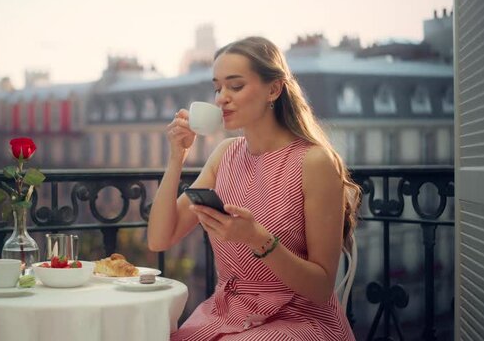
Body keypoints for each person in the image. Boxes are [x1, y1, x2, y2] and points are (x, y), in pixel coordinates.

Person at [148, 36, 361, 340]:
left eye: (235, 86)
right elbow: (159, 238)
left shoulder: (314, 162)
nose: (222, 98)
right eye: (217, 88)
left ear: (274, 89)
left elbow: (321, 286)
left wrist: (257, 239)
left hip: (298, 320)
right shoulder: (225, 154)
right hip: (226, 314)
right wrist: (175, 157)